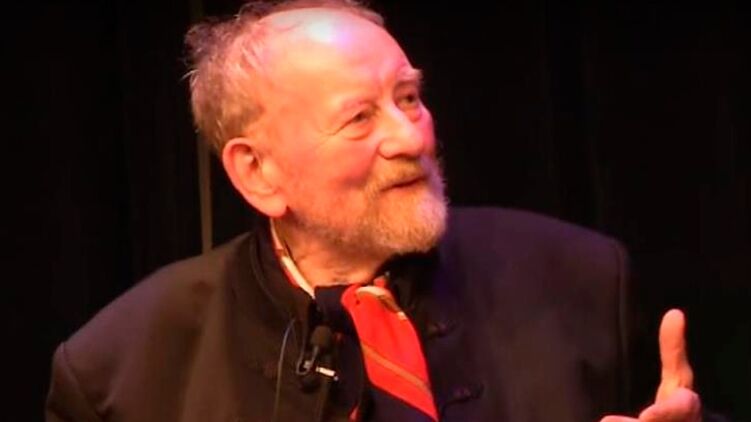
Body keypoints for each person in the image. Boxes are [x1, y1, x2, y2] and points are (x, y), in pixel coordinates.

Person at [46, 1, 712, 421]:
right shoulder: (121, 369)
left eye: (409, 99)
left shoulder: (579, 276)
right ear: (257, 171)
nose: (409, 138)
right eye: (359, 118)